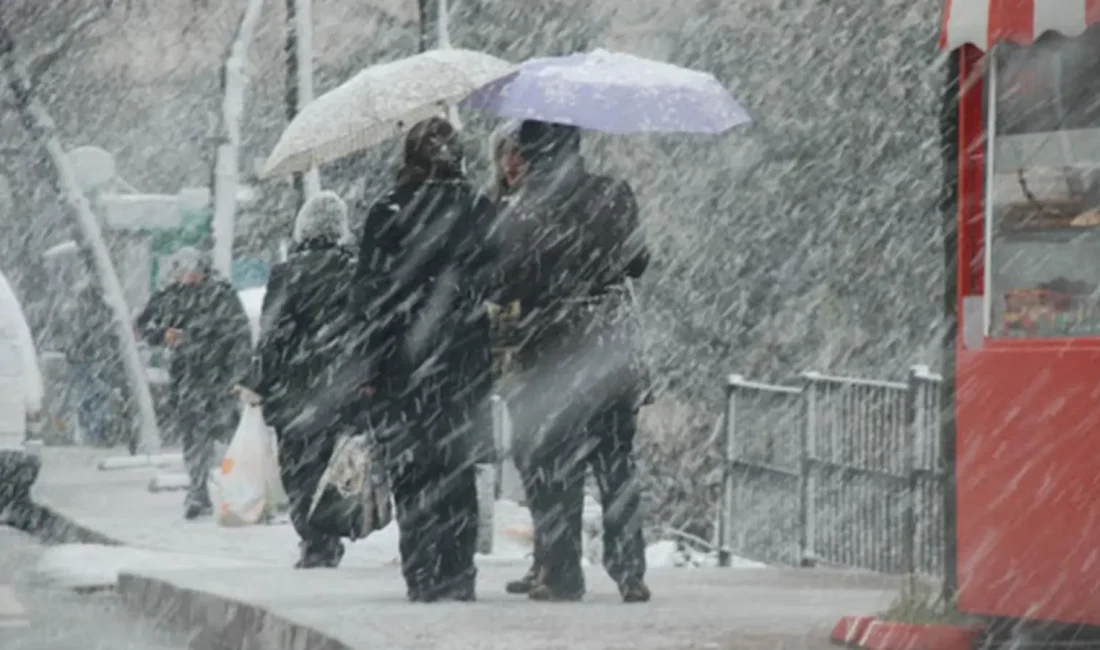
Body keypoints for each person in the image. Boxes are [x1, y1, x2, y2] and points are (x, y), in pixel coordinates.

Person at [496, 120, 652, 603]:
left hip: (552, 350)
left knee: (553, 464)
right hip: (609, 347)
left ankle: (562, 573)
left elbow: (505, 284)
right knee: (616, 462)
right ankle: (629, 569)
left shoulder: (524, 209)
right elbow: (637, 262)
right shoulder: (613, 193)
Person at [349, 117, 497, 602]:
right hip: (462, 364)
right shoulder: (475, 209)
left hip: (402, 366)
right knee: (457, 469)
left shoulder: (386, 212)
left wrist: (369, 370)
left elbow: (367, 299)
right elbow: (492, 280)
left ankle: (422, 572)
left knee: (412, 471)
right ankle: (458, 571)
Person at [238, 191, 358, 569]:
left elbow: (272, 335)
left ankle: (312, 537)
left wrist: (256, 380)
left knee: (299, 467)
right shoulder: (355, 270)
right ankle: (329, 532)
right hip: (339, 385)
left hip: (295, 388)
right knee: (334, 463)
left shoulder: (288, 273)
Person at [136, 247, 252, 520]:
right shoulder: (170, 296)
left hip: (218, 377)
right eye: (182, 271)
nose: (187, 276)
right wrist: (164, 334)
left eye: (192, 270)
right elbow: (145, 325)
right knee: (194, 437)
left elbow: (239, 336)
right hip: (187, 378)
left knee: (230, 434)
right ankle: (198, 492)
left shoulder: (222, 295)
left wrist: (238, 374)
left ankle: (244, 490)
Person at [64, 280, 124, 447]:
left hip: (83, 360)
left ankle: (93, 434)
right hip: (99, 359)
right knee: (99, 397)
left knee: (87, 399)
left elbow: (73, 338)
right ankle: (100, 433)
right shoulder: (106, 311)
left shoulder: (76, 312)